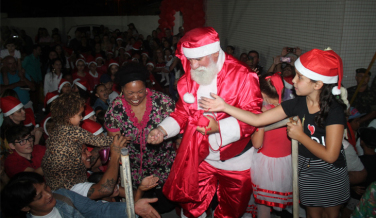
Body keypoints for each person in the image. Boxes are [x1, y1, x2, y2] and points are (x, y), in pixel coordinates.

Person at [199, 48, 350, 218]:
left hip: (330, 171)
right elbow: (257, 120)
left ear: (318, 84)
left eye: (300, 77)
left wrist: (300, 136)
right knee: (313, 214)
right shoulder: (298, 103)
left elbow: (331, 155)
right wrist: (225, 107)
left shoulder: (334, 111)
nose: (293, 81)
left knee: (331, 214)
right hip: (306, 169)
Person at [147, 27, 262, 218]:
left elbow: (253, 117)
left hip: (236, 159)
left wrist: (219, 127)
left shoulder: (243, 75)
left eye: (198, 59)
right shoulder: (189, 77)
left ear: (215, 53)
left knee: (232, 212)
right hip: (199, 156)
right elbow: (182, 112)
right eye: (190, 59)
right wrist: (162, 129)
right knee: (191, 207)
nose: (193, 64)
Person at [104, 62, 176, 214]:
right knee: (140, 209)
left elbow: (179, 132)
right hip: (134, 170)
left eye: (140, 91)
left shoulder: (163, 102)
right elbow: (115, 146)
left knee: (166, 206)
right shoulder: (116, 109)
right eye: (130, 93)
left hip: (164, 166)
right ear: (121, 89)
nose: (136, 97)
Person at [41, 93, 119, 191]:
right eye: (79, 115)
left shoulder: (56, 130)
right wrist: (119, 139)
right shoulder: (72, 131)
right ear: (68, 116)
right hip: (69, 183)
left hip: (53, 182)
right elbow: (99, 141)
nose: (82, 118)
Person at [1, 172, 161, 218]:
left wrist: (133, 208)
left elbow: (100, 211)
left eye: (46, 188)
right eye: (39, 196)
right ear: (25, 207)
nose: (49, 195)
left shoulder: (62, 196)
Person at [251, 73, 293, 217]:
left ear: (262, 92)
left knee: (262, 206)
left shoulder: (263, 112)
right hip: (287, 161)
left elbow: (257, 143)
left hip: (267, 163)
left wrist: (256, 125)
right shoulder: (291, 106)